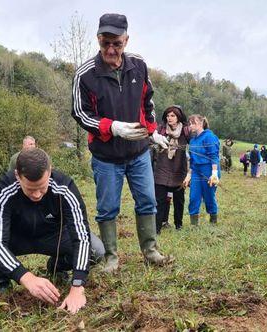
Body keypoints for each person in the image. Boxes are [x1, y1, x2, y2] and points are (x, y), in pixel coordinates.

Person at [70, 13, 171, 273]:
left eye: (117, 43)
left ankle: (150, 251)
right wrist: (111, 127)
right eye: (105, 43)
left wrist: (152, 131)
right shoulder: (85, 75)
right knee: (107, 208)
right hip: (106, 156)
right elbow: (80, 113)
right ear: (98, 40)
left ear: (126, 40)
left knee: (148, 200)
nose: (111, 49)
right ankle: (111, 258)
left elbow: (147, 102)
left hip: (138, 153)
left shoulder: (138, 66)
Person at [0, 148, 104, 315]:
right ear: (18, 176)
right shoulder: (3, 189)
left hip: (53, 236)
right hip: (16, 238)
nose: (37, 194)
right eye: (31, 189)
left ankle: (57, 266)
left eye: (42, 187)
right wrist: (26, 277)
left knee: (96, 250)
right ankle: (1, 283)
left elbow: (81, 236)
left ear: (49, 171)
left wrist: (77, 285)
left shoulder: (64, 186)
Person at [153, 105, 190, 232]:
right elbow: (150, 139)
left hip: (179, 170)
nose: (170, 118)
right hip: (162, 169)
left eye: (173, 115)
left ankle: (178, 225)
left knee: (179, 200)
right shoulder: (161, 130)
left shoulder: (186, 131)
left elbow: (195, 143)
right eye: (168, 115)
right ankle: (157, 227)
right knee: (159, 200)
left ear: (178, 117)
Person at [183, 114, 220, 225]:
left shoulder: (209, 137)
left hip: (208, 170)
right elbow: (192, 160)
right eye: (189, 124)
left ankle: (213, 220)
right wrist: (188, 175)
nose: (190, 126)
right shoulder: (193, 140)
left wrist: (214, 173)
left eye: (192, 123)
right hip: (196, 171)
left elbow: (214, 156)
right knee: (193, 197)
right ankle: (194, 224)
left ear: (200, 123)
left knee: (209, 196)